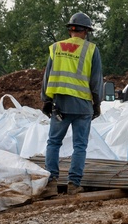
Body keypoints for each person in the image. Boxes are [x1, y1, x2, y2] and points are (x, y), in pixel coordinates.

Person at [41, 12, 103, 197]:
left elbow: (47, 76)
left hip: (59, 104)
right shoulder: (91, 50)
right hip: (83, 105)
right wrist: (97, 103)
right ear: (86, 32)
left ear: (71, 30)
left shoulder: (56, 48)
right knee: (80, 146)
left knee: (53, 143)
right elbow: (96, 80)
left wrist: (46, 100)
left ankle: (51, 183)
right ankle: (73, 184)